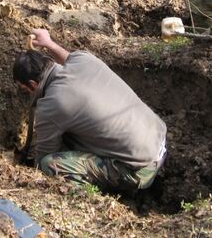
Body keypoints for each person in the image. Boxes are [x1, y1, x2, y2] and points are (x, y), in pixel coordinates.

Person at [12, 29, 167, 192]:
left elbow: (42, 159)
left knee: (49, 164)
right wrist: (49, 44)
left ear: (33, 84)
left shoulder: (51, 104)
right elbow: (67, 58)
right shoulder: (83, 59)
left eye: (25, 89)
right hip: (159, 139)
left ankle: (94, 194)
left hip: (138, 171)